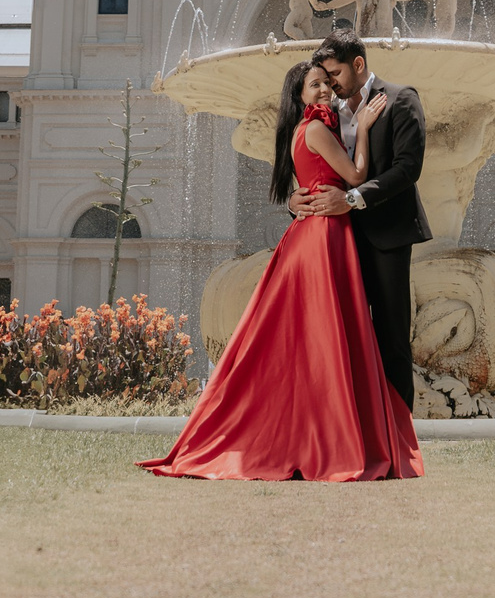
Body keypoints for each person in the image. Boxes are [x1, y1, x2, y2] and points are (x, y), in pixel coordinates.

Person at [140, 57, 422, 480]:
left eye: (327, 82)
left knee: (309, 342)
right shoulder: (316, 128)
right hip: (325, 237)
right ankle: (330, 437)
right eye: (315, 85)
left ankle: (317, 431)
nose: (325, 90)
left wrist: (297, 197)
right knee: (327, 339)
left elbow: (312, 179)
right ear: (299, 95)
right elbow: (357, 173)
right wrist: (362, 127)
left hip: (317, 237)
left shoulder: (300, 131)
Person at [288, 28, 431, 405]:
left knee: (392, 339)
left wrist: (352, 199)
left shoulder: (401, 99)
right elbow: (312, 163)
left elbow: (407, 169)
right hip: (336, 241)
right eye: (323, 77)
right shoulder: (327, 112)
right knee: (342, 339)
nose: (329, 84)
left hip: (387, 236)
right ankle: (354, 435)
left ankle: (399, 442)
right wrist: (294, 200)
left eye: (334, 74)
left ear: (358, 64)